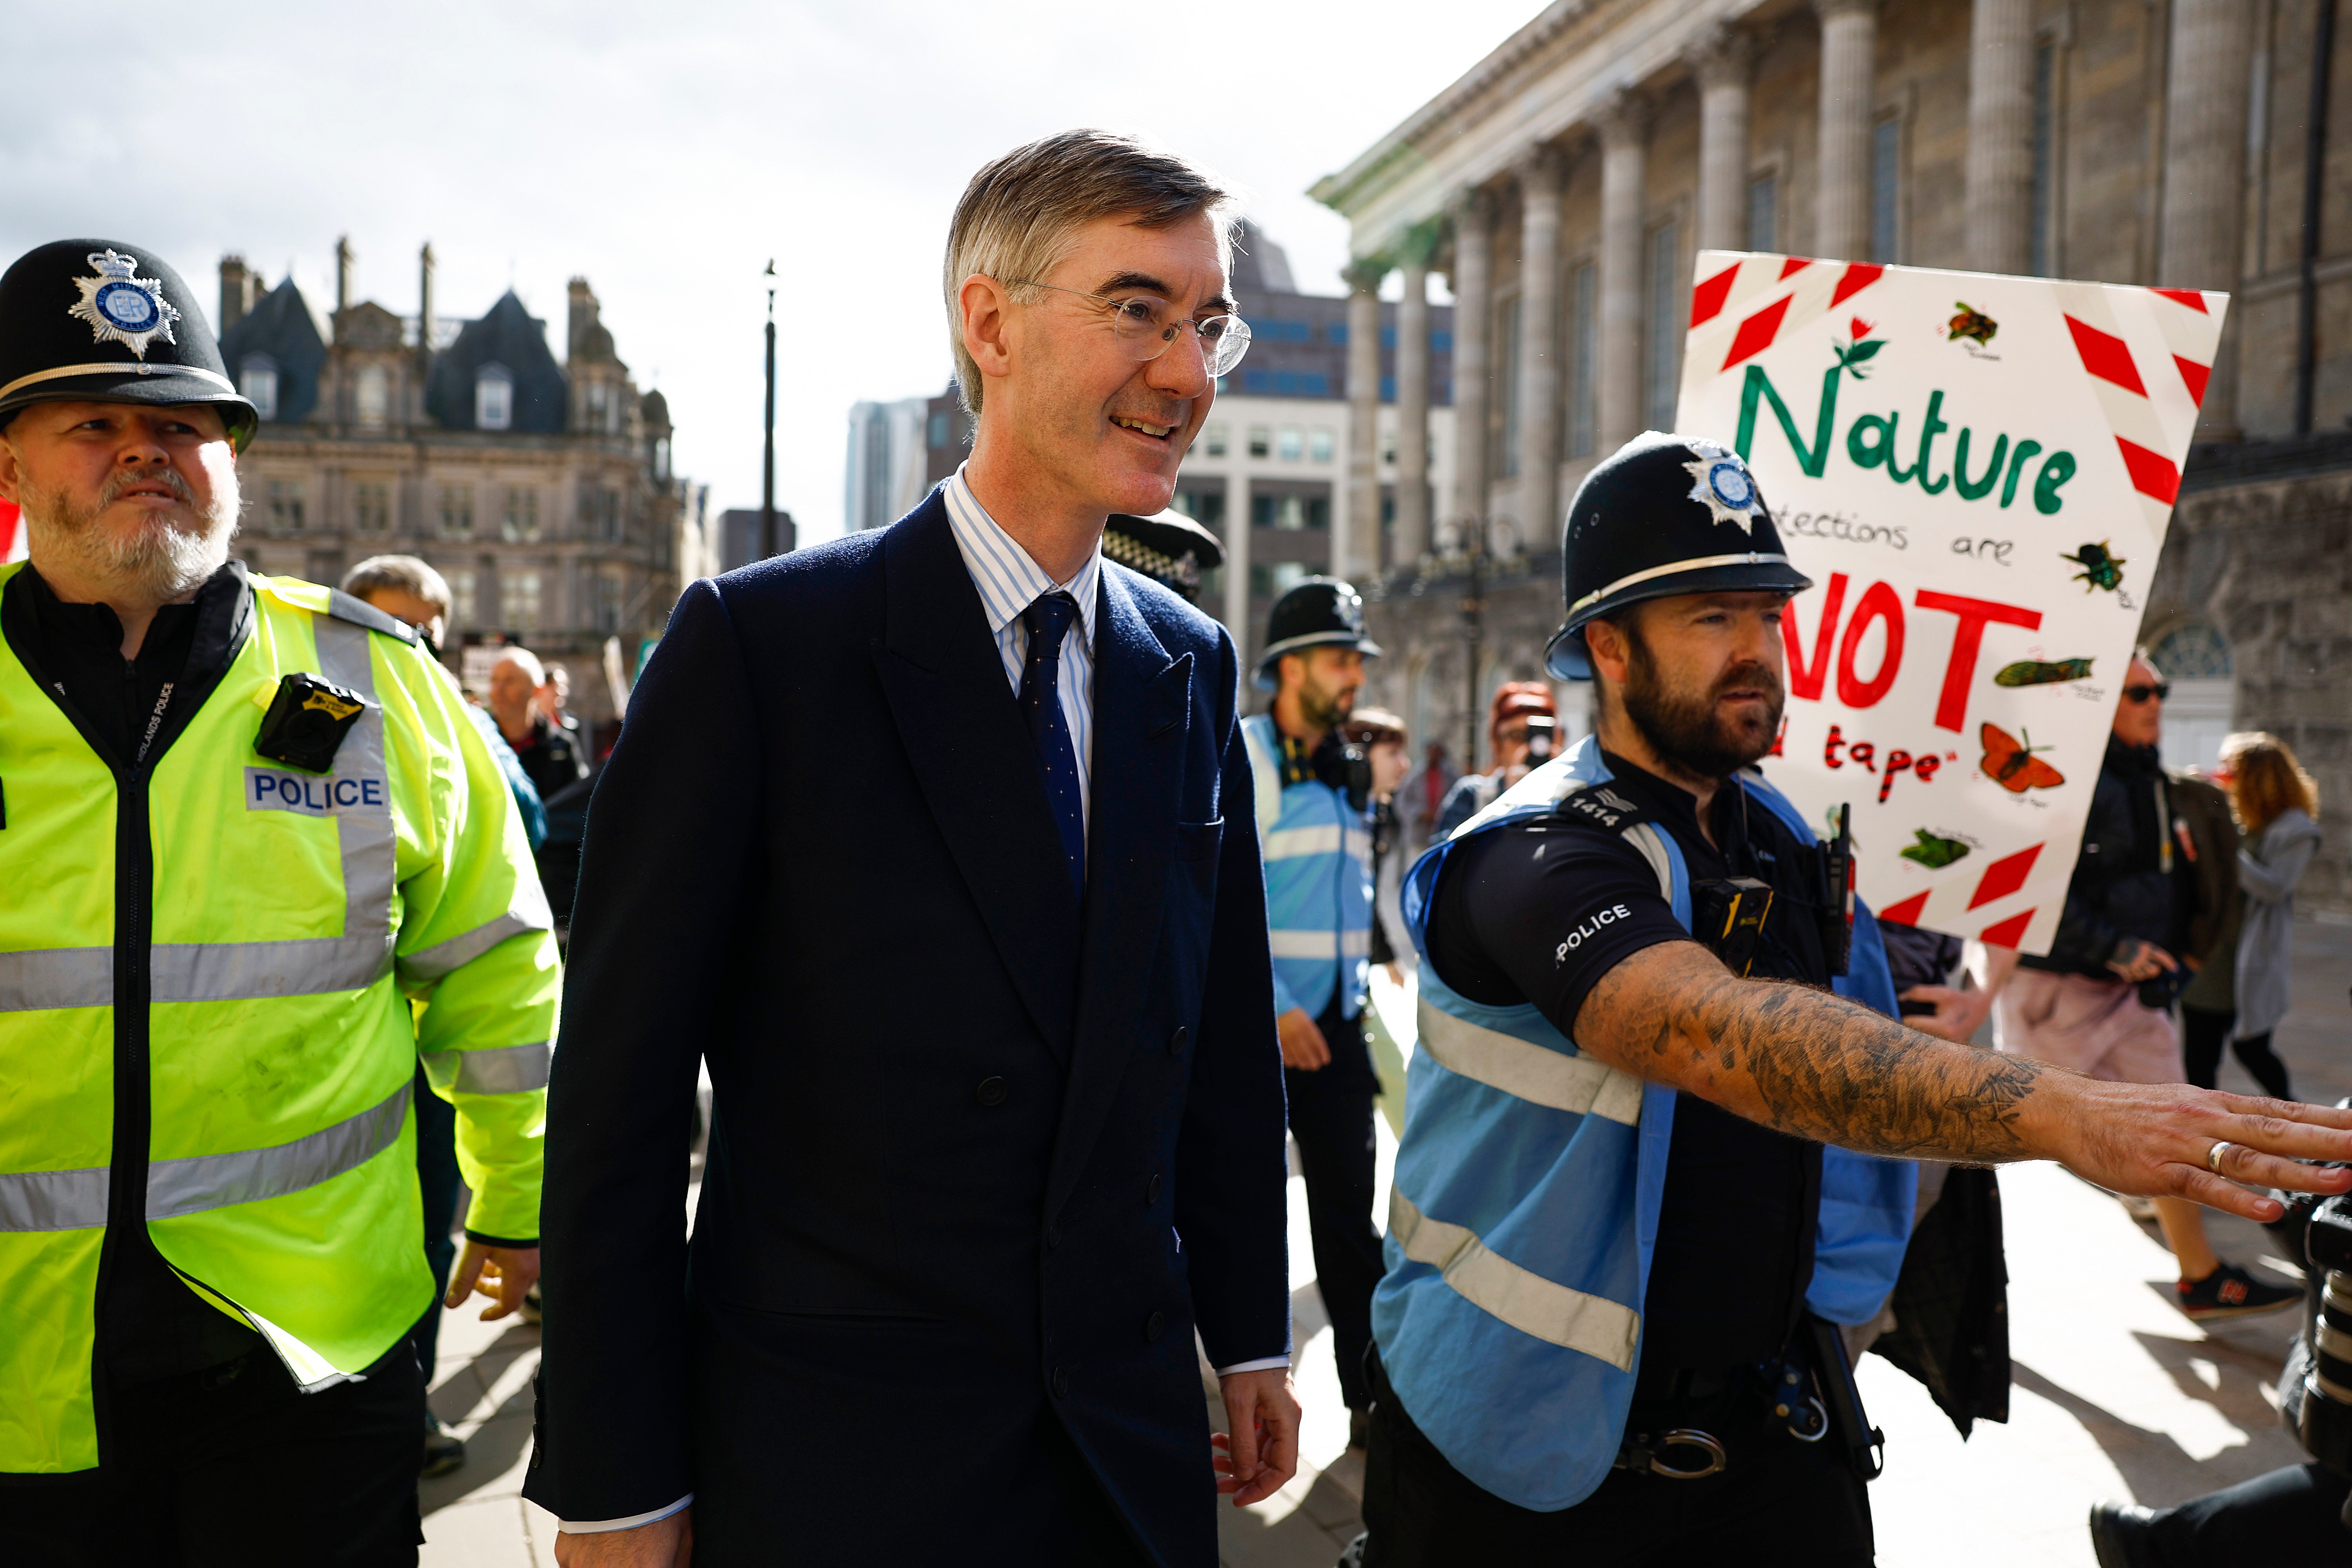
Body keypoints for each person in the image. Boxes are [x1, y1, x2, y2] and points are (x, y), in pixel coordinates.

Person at [1347, 431, 2352, 1565]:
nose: (1758, 652)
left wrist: (1952, 1016)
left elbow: (1858, 1044)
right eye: (1711, 617)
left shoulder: (1779, 835)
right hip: (1523, 1456)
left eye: (1769, 617)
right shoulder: (1531, 851)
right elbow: (1706, 1032)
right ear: (1609, 650)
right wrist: (2071, 1114)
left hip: (1778, 1429)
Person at [524, 130, 1299, 1566]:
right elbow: (620, 1101)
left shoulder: (1187, 665)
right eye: (1135, 309)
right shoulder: (762, 647)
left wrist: (1250, 1327)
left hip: (1124, 1452)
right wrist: (617, 1478)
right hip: (841, 1463)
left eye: (1207, 324)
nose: (1188, 372)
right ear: (988, 322)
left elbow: (1213, 1049)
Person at [0, 238, 557, 1564]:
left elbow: (497, 969)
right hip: (22, 1375)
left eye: (183, 426)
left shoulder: (381, 685)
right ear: (12, 465)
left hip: (317, 1353)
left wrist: (525, 1202)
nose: (148, 451)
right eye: (98, 423)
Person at [1910, 655, 2298, 1322]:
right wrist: (2115, 947)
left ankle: (2197, 1274)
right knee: (1995, 1140)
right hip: (2060, 992)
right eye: (2139, 692)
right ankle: (1933, 1284)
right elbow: (2032, 885)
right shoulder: (2074, 779)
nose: (2157, 701)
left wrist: (2166, 951)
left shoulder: (2143, 773)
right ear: (2099, 704)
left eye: (2160, 689)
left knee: (2172, 1119)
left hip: (2127, 996)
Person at [343, 554, 547, 1478]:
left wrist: (516, 1195)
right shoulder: (279, 713)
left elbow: (526, 841)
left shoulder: (453, 724)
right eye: (387, 621)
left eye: (425, 627)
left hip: (432, 1058)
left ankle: (405, 1401)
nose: (408, 643)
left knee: (426, 1230)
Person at [1241, 578, 1387, 1448]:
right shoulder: (1248, 755)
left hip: (1337, 1026)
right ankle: (1250, 1387)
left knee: (1349, 1218)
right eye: (1342, 659)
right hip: (1266, 1031)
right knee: (1249, 1215)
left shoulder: (1346, 764)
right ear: (1290, 667)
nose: (1355, 678)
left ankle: (1369, 1398)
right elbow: (1225, 898)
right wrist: (1274, 1007)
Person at [2216, 731, 2323, 1099]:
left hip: (2253, 954)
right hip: (2212, 951)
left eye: (2231, 771)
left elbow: (2274, 887)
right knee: (2198, 1054)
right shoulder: (2245, 816)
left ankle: (2297, 1120)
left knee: (2251, 1047)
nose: (2224, 777)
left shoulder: (2297, 830)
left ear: (2256, 777)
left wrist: (2227, 843)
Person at [1430, 681, 1557, 838]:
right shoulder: (1473, 795)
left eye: (1540, 738)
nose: (1528, 748)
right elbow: (1443, 854)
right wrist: (1510, 796)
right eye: (1517, 736)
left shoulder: (1571, 798)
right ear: (1497, 742)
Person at [1343, 706, 1411, 980]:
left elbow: (1366, 899)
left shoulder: (1379, 815)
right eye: (1392, 753)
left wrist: (1388, 960)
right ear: (1360, 756)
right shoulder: (1342, 814)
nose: (1404, 764)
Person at [488, 645, 586, 804]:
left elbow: (576, 805)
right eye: (494, 680)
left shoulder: (562, 745)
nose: (498, 690)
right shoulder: (476, 739)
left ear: (536, 691)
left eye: (510, 681)